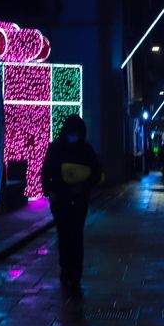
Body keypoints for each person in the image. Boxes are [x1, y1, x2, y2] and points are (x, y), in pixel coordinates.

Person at [41, 115, 103, 291]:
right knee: (65, 236)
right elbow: (47, 172)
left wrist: (83, 185)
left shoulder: (85, 150)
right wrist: (50, 191)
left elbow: (96, 173)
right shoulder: (57, 148)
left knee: (74, 236)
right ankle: (67, 269)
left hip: (77, 200)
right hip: (61, 200)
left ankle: (74, 273)